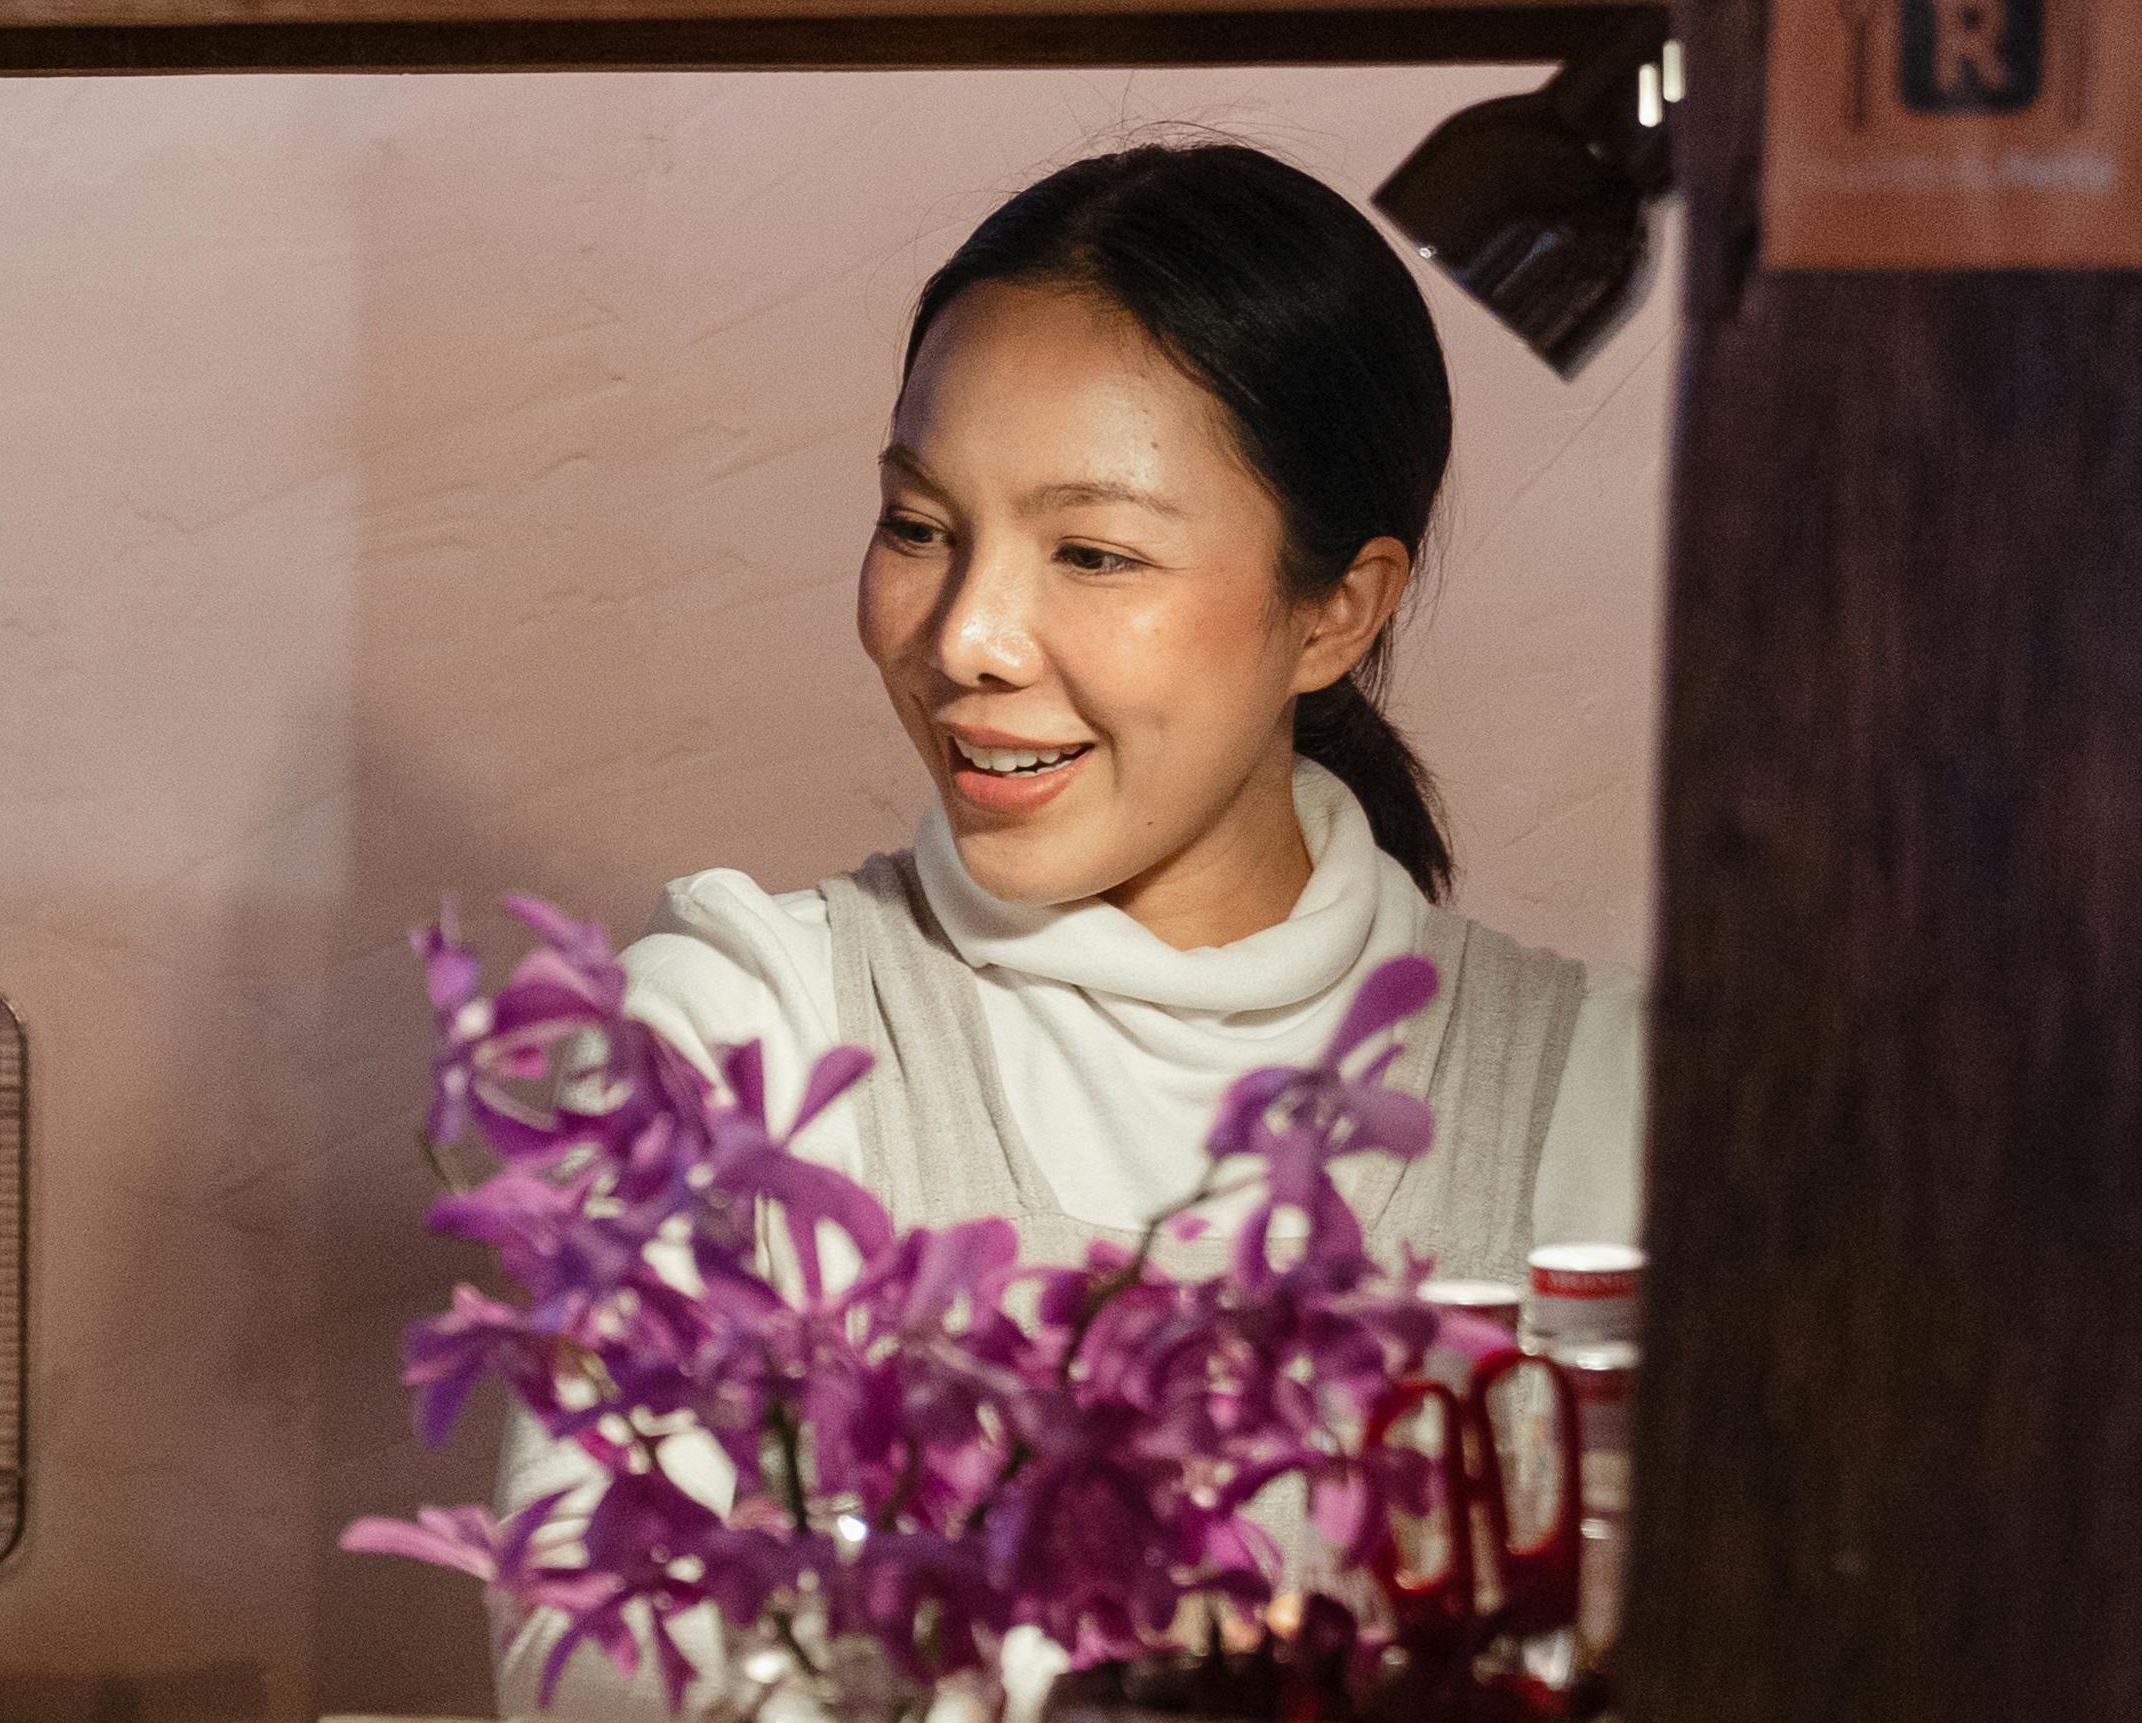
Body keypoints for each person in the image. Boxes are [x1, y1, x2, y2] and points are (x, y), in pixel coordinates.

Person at [625, 136, 1640, 1276]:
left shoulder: (1617, 1107)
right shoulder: (740, 1037)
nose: (966, 638)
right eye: (917, 527)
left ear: (1336, 613)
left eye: (1095, 554)